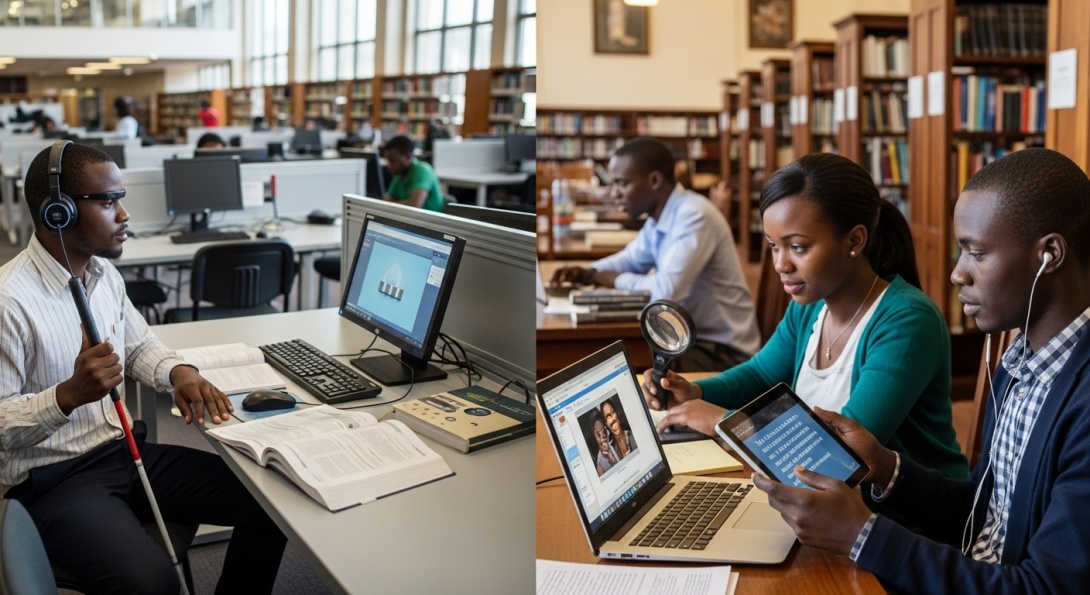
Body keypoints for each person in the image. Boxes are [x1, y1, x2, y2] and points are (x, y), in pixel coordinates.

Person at [750, 148, 1090, 593]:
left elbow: (1045, 587)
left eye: (976, 254)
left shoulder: (1081, 401)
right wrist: (885, 466)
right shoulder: (1020, 367)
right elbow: (987, 514)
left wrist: (862, 536)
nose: (956, 274)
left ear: (1049, 255)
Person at [0, 142, 286, 593]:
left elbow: (138, 345)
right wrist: (67, 396)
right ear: (59, 212)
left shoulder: (102, 275)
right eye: (109, 201)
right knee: (154, 584)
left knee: (271, 504)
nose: (124, 214)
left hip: (123, 451)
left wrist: (179, 373)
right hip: (55, 480)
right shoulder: (9, 300)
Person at [644, 152, 969, 481]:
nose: (780, 265)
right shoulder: (810, 305)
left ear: (854, 240)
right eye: (773, 246)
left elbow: (844, 454)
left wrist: (723, 422)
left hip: (900, 515)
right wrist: (698, 393)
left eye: (797, 247)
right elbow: (760, 375)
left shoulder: (908, 321)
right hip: (816, 492)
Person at [552, 137, 760, 372]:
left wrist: (611, 279)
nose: (614, 193)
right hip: (685, 337)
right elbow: (630, 259)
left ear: (654, 181)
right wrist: (589, 272)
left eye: (622, 183)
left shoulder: (694, 215)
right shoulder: (659, 217)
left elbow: (666, 291)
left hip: (721, 352)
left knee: (611, 362)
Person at [382, 135, 445, 212]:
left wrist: (393, 204)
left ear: (408, 156)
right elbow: (386, 202)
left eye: (393, 161)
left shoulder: (423, 170)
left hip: (431, 222)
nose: (389, 166)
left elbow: (415, 205)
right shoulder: (399, 174)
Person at [590, 409, 618, 476]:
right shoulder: (600, 464)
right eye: (598, 435)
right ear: (594, 435)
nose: (602, 439)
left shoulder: (616, 443)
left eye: (604, 431)